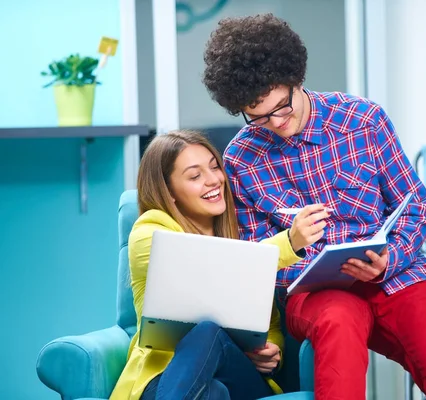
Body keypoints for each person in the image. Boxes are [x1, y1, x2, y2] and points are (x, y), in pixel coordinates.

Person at [202, 13, 426, 400]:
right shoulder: (241, 158)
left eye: (282, 107)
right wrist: (301, 255)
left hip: (396, 275)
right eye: (258, 117)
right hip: (315, 293)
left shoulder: (363, 120)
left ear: (296, 79)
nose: (275, 123)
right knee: (339, 329)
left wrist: (391, 259)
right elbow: (257, 258)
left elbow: (416, 205)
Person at [110, 130, 329, 400]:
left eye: (214, 167)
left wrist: (271, 352)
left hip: (240, 377)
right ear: (169, 192)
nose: (213, 180)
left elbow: (268, 325)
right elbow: (207, 268)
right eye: (195, 176)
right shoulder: (149, 230)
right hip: (166, 378)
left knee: (209, 338)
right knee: (213, 388)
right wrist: (289, 243)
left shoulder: (244, 236)